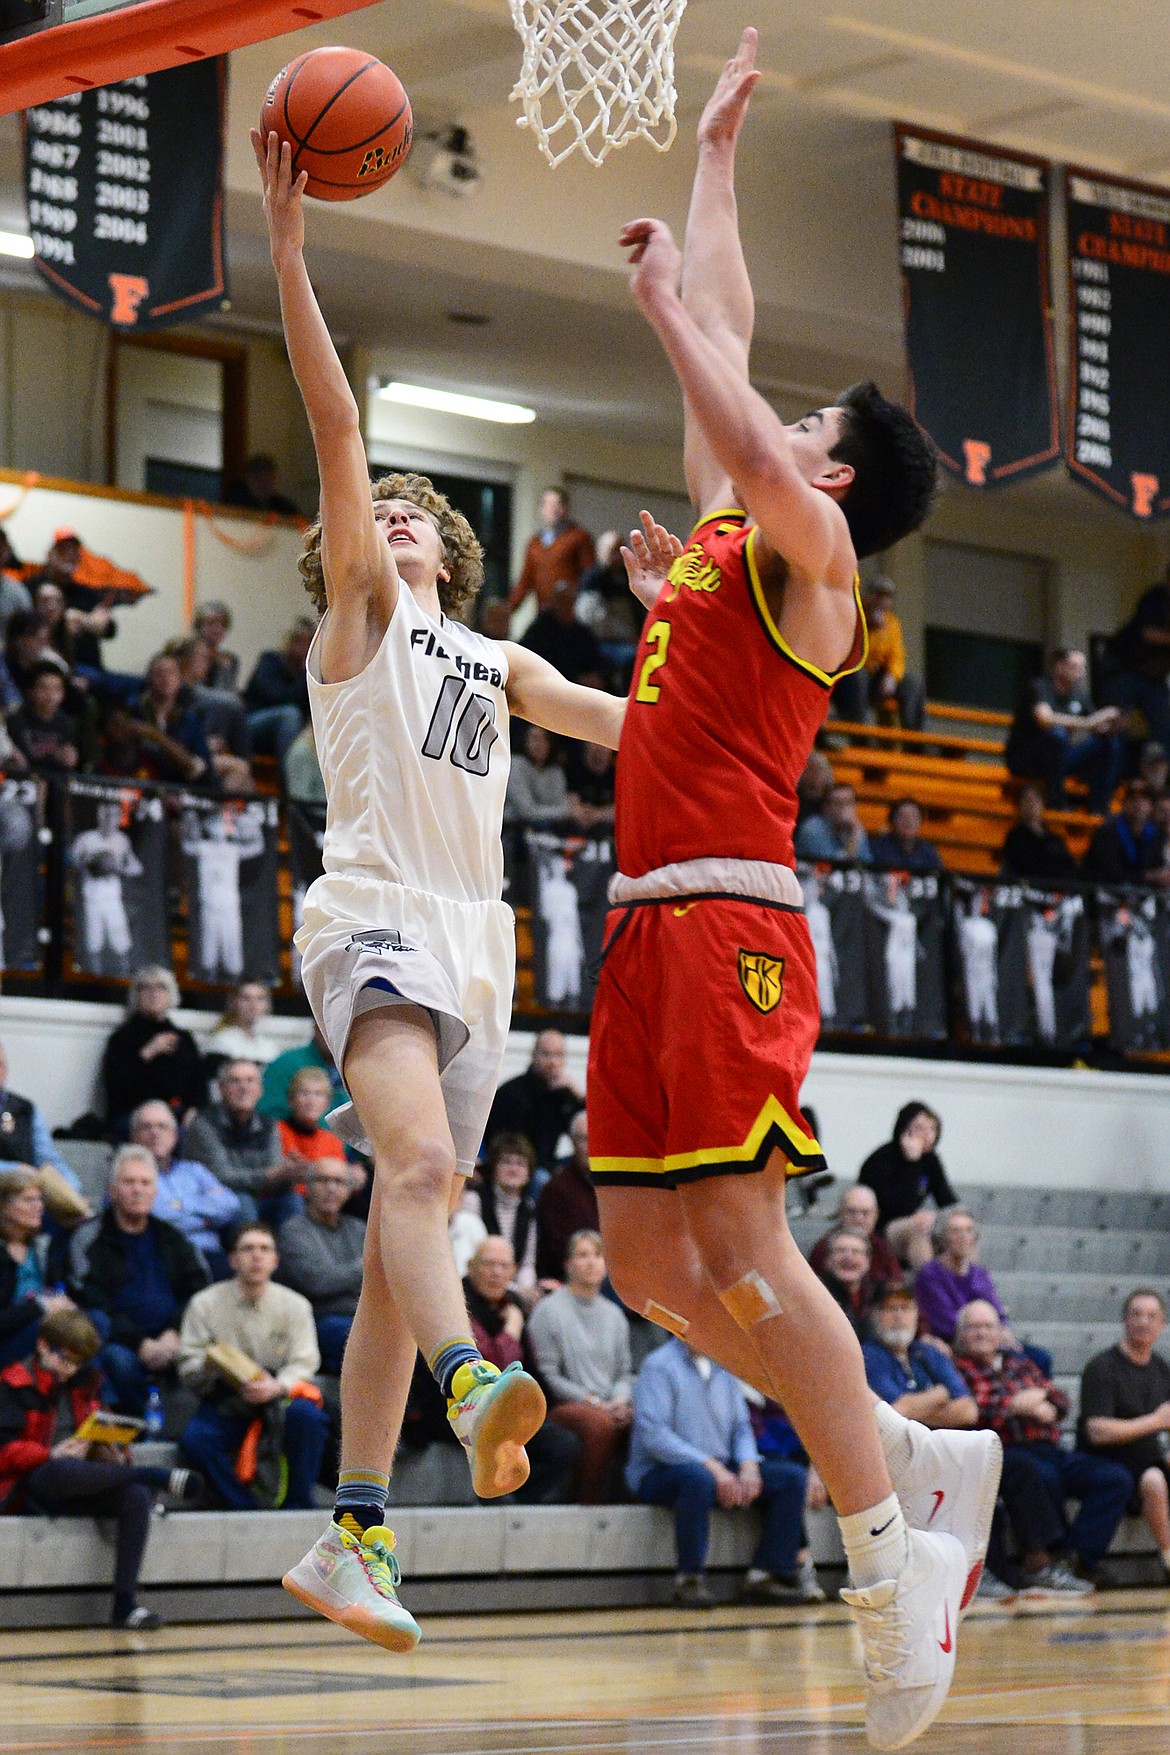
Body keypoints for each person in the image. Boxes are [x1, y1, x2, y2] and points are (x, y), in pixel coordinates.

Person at [586, 38, 992, 1745]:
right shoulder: (724, 541)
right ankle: (894, 1438)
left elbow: (735, 396)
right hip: (638, 923)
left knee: (748, 1238)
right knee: (646, 1272)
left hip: (737, 923)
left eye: (808, 431)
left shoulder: (814, 566)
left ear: (829, 479)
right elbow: (736, 371)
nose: (776, 425)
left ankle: (891, 1556)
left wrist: (670, 306)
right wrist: (720, 157)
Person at [249, 127, 634, 1650]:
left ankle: (353, 1536)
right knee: (417, 1188)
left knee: (391, 1268)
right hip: (373, 909)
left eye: (417, 510)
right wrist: (289, 256)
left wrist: (712, 619)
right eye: (379, 507)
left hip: (480, 948)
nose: (392, 513)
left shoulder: (494, 654)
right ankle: (477, 1375)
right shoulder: (357, 616)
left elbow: (639, 723)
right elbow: (339, 425)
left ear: (456, 552)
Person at [0, 1307, 201, 1629]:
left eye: (78, 1361)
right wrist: (49, 1453)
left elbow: (100, 1427)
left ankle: (125, 1605)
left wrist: (114, 1456)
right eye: (64, 1358)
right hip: (31, 1485)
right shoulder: (14, 1383)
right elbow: (5, 1453)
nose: (71, 1369)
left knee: (134, 1497)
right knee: (59, 1469)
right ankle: (151, 1476)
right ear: (42, 1346)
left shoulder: (87, 1383)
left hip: (87, 1479)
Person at [955, 1300, 1131, 1586]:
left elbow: (1060, 1400)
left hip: (1049, 1449)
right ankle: (1043, 1562)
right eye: (973, 1327)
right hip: (1004, 1450)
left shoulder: (1019, 1362)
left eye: (987, 1326)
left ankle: (1075, 1558)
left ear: (1000, 1331)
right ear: (961, 1334)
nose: (981, 1333)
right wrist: (1016, 1405)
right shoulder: (955, 1367)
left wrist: (1036, 1403)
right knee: (1038, 1475)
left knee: (1115, 1478)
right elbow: (971, 1410)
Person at [627, 1337, 812, 1608]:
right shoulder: (658, 1366)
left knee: (791, 1478)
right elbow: (654, 1435)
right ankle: (689, 1579)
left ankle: (766, 1574)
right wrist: (711, 1466)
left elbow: (741, 1427)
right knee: (697, 1480)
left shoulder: (725, 1367)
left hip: (720, 1467)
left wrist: (748, 1466)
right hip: (660, 1471)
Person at [178, 1222, 327, 1510]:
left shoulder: (295, 1305)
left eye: (265, 1250)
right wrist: (215, 1370)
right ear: (232, 1259)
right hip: (227, 1396)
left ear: (275, 1261)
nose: (256, 1257)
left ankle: (297, 1501)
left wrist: (278, 1386)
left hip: (278, 1393)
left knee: (308, 1418)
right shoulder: (204, 1304)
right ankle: (242, 1505)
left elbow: (305, 1360)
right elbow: (188, 1362)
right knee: (197, 1439)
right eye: (247, 1249)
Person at [70, 1147, 209, 1417]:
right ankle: (139, 1427)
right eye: (129, 1182)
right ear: (112, 1191)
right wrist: (140, 1343)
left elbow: (199, 1292)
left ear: (156, 1191)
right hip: (119, 1343)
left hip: (173, 1340)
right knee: (116, 1360)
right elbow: (91, 1300)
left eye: (146, 1183)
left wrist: (174, 1333)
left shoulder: (174, 1238)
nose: (138, 1190)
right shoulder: (89, 1238)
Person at [457, 1235, 579, 1502]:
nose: (497, 1273)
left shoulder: (512, 1304)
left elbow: (530, 1368)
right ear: (471, 1266)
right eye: (489, 1264)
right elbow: (487, 1367)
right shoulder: (458, 1303)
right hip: (460, 1405)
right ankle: (499, 1498)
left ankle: (515, 1502)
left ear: (513, 1271)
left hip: (506, 1408)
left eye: (504, 1266)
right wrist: (511, 1330)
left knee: (563, 1444)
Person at [526, 1230, 633, 1502]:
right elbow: (547, 1375)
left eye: (598, 1255)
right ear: (568, 1264)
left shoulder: (615, 1314)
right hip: (562, 1405)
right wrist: (595, 1402)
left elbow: (624, 1372)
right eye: (582, 1255)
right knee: (598, 1425)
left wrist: (619, 1400)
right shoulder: (548, 1311)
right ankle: (588, 1504)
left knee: (645, 1419)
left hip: (608, 1403)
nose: (591, 1262)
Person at [1079, 1290, 1170, 1582]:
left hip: (1148, 1458)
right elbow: (1098, 1431)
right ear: (1124, 1320)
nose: (1144, 1321)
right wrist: (1154, 1421)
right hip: (1106, 1461)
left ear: (1162, 1324)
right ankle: (1168, 1559)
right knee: (1153, 1480)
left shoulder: (1161, 1369)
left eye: (1151, 1316)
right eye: (1137, 1314)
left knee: (1157, 1472)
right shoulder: (1102, 1367)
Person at [183, 1060, 298, 1229]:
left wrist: (290, 1174)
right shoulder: (204, 1124)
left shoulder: (269, 1125)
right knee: (242, 1201)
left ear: (260, 1090)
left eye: (250, 1081)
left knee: (292, 1200)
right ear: (221, 1089)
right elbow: (220, 1176)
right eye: (235, 1081)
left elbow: (275, 1171)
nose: (243, 1088)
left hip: (258, 1200)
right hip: (213, 1202)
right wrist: (268, 1176)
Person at [1005, 648, 1123, 814]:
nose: (1081, 673)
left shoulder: (1079, 696)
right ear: (1060, 666)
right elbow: (1045, 719)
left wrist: (1114, 722)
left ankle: (1099, 807)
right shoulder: (1040, 687)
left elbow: (1097, 725)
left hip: (1059, 759)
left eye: (1083, 668)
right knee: (1057, 735)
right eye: (1075, 667)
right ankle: (1057, 803)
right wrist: (1088, 723)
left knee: (1110, 744)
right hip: (1027, 758)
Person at [130, 1102, 239, 1278]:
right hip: (162, 1256)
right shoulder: (129, 1174)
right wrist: (205, 1220)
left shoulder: (195, 1170)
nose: (155, 1132)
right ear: (134, 1136)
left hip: (210, 1254)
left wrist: (180, 1205)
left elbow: (230, 1204)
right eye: (146, 1127)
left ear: (174, 1136)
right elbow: (154, 1218)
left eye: (162, 1127)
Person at [276, 1160, 365, 1374]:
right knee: (368, 1339)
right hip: (319, 1321)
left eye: (339, 1181)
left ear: (349, 1190)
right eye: (322, 1180)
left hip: (360, 1316)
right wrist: (368, 1266)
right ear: (307, 1186)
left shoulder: (358, 1228)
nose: (331, 1188)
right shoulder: (294, 1231)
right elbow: (318, 1283)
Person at [100, 967, 207, 1136]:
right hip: (134, 1117)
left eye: (161, 987)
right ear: (137, 995)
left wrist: (192, 1110)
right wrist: (148, 1052)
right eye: (146, 987)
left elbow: (199, 1086)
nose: (153, 993)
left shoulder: (183, 1038)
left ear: (171, 994)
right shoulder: (122, 1038)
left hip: (176, 1117)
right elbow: (116, 1087)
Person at [863, 1284, 977, 1431]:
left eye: (906, 1308)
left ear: (916, 1314)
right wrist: (940, 1394)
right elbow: (894, 1413)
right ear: (875, 1315)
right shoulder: (868, 1356)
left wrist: (915, 1411)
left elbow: (968, 1411)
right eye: (890, 1308)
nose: (898, 1316)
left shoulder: (929, 1352)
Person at [857, 1104, 957, 1270]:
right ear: (904, 1129)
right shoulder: (881, 1159)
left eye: (932, 1128)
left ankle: (968, 1285)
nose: (927, 1135)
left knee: (961, 1227)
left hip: (914, 1226)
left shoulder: (931, 1160)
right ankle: (932, 1287)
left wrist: (961, 1218)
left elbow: (947, 1200)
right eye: (919, 1128)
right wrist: (912, 1164)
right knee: (920, 1224)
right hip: (882, 1229)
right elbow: (899, 1207)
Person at [914, 1209, 1019, 1353]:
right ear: (943, 1238)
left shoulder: (980, 1273)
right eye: (955, 1231)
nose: (963, 1237)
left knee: (1039, 1356)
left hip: (988, 1339)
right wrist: (987, 1331)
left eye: (969, 1230)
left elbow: (997, 1310)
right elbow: (944, 1321)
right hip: (954, 1345)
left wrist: (1004, 1328)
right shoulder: (930, 1274)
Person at [0, 1170, 73, 1369]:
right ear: (4, 1207)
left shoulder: (41, 1248)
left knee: (94, 1323)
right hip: (7, 1342)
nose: (39, 1206)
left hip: (41, 1338)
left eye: (40, 1200)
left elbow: (76, 1210)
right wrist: (40, 1306)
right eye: (29, 1200)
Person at [485, 1031, 585, 1176]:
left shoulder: (564, 1093)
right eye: (546, 1054)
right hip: (519, 1167)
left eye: (559, 1055)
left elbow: (585, 1129)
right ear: (534, 1056)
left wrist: (578, 1095)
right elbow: (506, 1146)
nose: (553, 1062)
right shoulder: (512, 1093)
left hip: (548, 1163)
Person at [833, 577, 925, 731]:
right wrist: (869, 626)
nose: (882, 601)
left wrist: (892, 676)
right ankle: (861, 733)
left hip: (877, 680)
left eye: (887, 597)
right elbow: (851, 652)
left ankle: (916, 739)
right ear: (869, 596)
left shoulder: (892, 623)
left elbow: (897, 655)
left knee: (913, 683)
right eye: (878, 595)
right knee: (858, 675)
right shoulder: (854, 613)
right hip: (850, 678)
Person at [1097, 565, 1170, 756]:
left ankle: (1157, 776)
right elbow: (1149, 633)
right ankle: (1113, 773)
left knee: (1164, 724)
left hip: (1153, 676)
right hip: (1123, 669)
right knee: (1116, 725)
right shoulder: (1155, 597)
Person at [461, 1133, 539, 1301]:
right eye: (506, 1162)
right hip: (476, 1286)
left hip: (512, 1288)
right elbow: (468, 1258)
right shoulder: (474, 1200)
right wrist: (512, 1288)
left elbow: (527, 1264)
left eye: (520, 1163)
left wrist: (525, 1289)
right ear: (494, 1168)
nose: (513, 1169)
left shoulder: (528, 1207)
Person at [507, 487, 596, 617]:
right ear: (541, 509)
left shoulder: (578, 537)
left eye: (558, 504)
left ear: (566, 508)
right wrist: (508, 608)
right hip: (544, 612)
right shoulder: (534, 544)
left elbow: (590, 574)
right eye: (548, 504)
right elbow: (526, 580)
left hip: (571, 614)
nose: (553, 509)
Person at [535, 1110, 599, 1283]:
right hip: (569, 1279)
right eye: (584, 1139)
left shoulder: (614, 1187)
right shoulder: (556, 1190)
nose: (592, 1145)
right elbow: (558, 1252)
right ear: (572, 1142)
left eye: (597, 1137)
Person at [808, 1186, 902, 1303]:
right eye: (851, 1212)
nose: (858, 1219)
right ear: (840, 1213)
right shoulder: (824, 1248)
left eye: (865, 1213)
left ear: (876, 1215)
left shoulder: (882, 1248)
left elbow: (896, 1286)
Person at [243, 619, 314, 762]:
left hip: (288, 731)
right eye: (299, 640)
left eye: (309, 642)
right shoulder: (269, 661)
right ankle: (289, 782)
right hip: (252, 724)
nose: (303, 647)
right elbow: (280, 697)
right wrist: (304, 672)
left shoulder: (309, 672)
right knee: (290, 714)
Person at [520, 578, 608, 687]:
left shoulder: (581, 632)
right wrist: (575, 678)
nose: (566, 606)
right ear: (554, 602)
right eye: (562, 601)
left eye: (569, 601)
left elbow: (595, 660)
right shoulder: (540, 629)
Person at [1081, 780, 1166, 885]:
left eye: (1144, 800)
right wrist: (1146, 877)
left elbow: (1157, 866)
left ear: (1151, 806)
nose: (1138, 805)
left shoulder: (1156, 834)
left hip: (1140, 894)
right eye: (1133, 800)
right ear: (1124, 803)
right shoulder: (1107, 831)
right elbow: (1108, 873)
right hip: (1102, 892)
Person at [8, 661, 80, 773]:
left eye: (56, 689)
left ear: (63, 694)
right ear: (31, 691)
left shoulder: (66, 723)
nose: (50, 695)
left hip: (54, 780)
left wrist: (69, 758)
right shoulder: (16, 719)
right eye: (43, 688)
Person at [999, 784, 1078, 883]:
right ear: (1020, 806)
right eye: (1026, 800)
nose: (1031, 804)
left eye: (1035, 799)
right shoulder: (1015, 837)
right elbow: (1024, 866)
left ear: (1042, 804)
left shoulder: (1055, 839)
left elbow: (1068, 867)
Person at [815, 1226, 880, 1339]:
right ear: (827, 1260)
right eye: (840, 1250)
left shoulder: (878, 1294)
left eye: (856, 1252)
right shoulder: (814, 1295)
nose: (848, 1257)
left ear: (868, 1261)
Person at [205, 979, 283, 1071]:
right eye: (246, 998)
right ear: (233, 1002)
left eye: (260, 998)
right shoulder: (221, 1041)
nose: (253, 1004)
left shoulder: (269, 1046)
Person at [794, 780, 873, 864]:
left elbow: (866, 864)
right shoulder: (812, 829)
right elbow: (831, 866)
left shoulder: (856, 827)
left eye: (848, 802)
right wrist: (853, 839)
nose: (844, 807)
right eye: (837, 803)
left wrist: (856, 832)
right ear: (825, 807)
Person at [869, 799, 941, 874]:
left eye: (914, 816)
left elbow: (938, 877)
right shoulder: (878, 846)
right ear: (893, 820)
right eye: (902, 816)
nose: (909, 821)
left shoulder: (928, 850)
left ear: (920, 821)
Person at [224, 452, 299, 516]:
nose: (264, 483)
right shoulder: (234, 503)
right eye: (258, 478)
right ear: (248, 479)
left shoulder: (283, 506)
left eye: (269, 479)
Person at [193, 601, 241, 693]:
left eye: (223, 624)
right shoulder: (189, 655)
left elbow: (228, 690)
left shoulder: (230, 659)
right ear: (199, 626)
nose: (218, 628)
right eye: (211, 623)